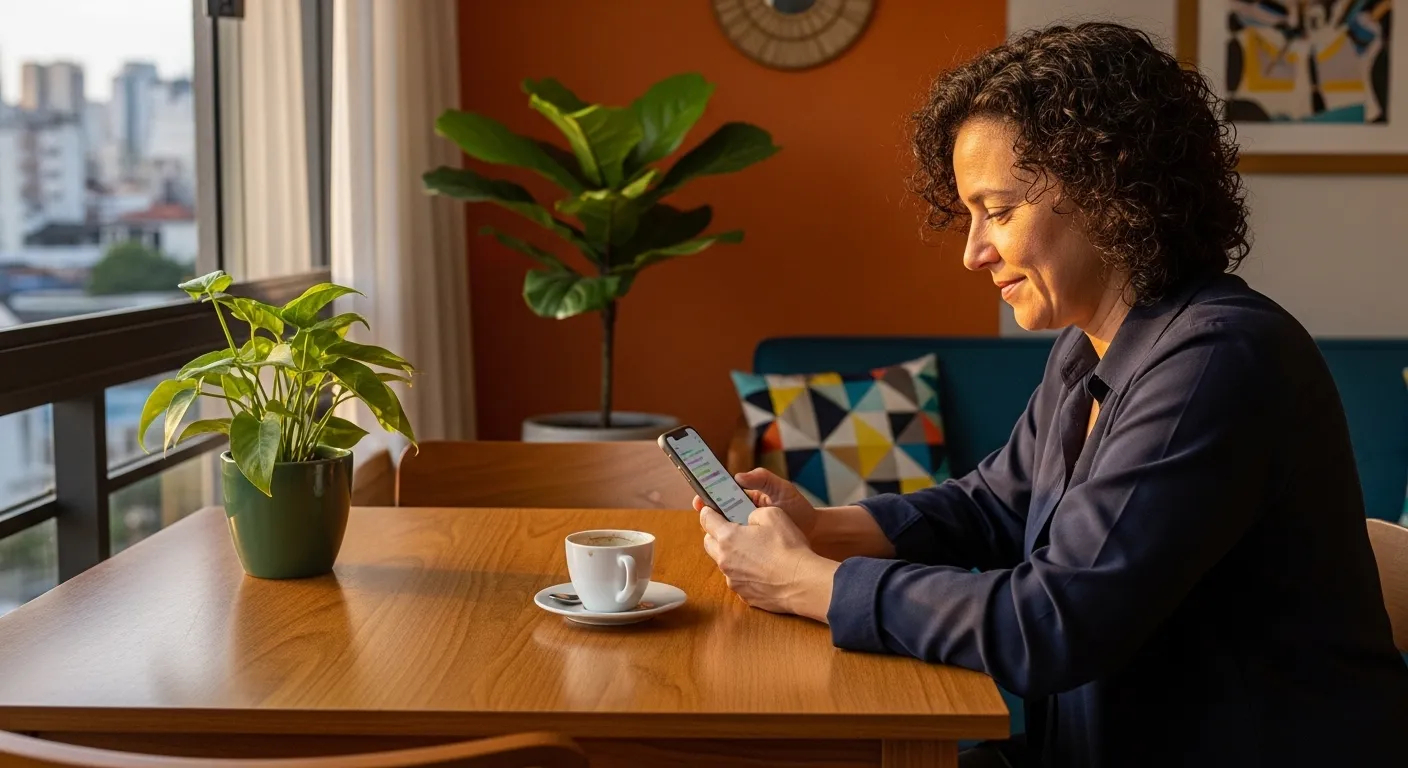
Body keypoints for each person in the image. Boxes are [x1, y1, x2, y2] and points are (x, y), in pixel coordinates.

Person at [694, 22, 1408, 768]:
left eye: (997, 212)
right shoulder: (1093, 343)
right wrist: (826, 528)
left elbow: (1052, 623)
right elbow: (996, 504)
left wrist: (813, 584)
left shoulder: (1217, 361)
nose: (972, 252)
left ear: (1109, 183)